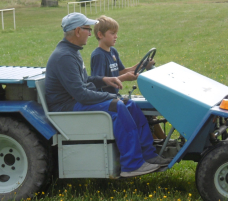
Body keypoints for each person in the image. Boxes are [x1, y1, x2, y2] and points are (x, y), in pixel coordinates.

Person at [45, 12, 170, 178]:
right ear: (77, 31)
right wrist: (111, 97)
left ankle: (148, 155)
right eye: (87, 30)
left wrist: (104, 79)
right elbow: (81, 94)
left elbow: (84, 80)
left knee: (130, 105)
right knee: (118, 106)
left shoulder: (72, 51)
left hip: (75, 100)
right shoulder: (65, 56)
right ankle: (131, 165)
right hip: (66, 106)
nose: (90, 34)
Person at [91, 15, 166, 139]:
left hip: (116, 96)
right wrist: (125, 78)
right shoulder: (98, 55)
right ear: (100, 35)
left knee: (150, 113)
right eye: (112, 33)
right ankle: (151, 143)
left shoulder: (113, 52)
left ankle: (162, 142)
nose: (116, 36)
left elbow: (122, 71)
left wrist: (142, 64)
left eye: (116, 33)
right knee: (140, 110)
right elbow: (98, 83)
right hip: (106, 99)